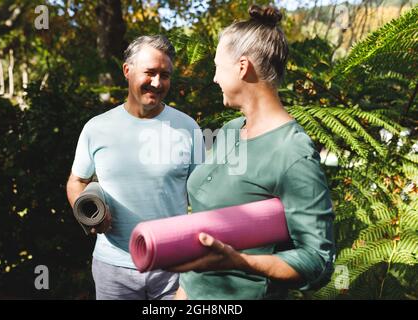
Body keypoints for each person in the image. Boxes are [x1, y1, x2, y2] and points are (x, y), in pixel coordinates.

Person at [169, 5, 336, 300]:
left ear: (242, 67)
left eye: (218, 66)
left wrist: (241, 262)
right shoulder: (231, 130)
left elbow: (318, 261)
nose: (214, 78)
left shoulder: (292, 153)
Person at [66, 35, 203, 300]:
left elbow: (203, 199)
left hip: (173, 268)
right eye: (150, 72)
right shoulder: (96, 128)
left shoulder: (188, 128)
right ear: (127, 71)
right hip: (112, 268)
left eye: (165, 75)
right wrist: (82, 209)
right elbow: (76, 181)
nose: (157, 82)